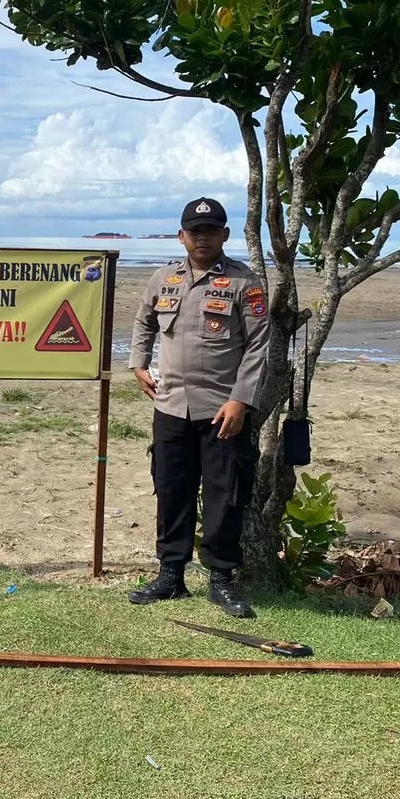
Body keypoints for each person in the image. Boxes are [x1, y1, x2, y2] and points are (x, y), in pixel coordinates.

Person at [127, 197, 271, 618]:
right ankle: (171, 575)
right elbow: (143, 320)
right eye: (195, 231)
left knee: (225, 495)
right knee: (171, 489)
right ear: (182, 236)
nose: (202, 237)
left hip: (222, 410)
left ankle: (222, 581)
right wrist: (138, 363)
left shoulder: (247, 283)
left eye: (211, 230)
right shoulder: (163, 277)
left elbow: (260, 345)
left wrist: (240, 400)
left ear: (225, 235)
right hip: (170, 405)